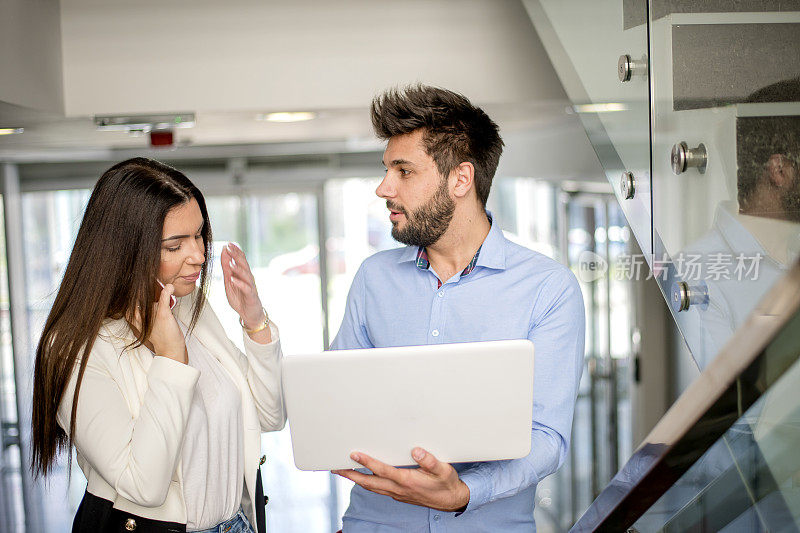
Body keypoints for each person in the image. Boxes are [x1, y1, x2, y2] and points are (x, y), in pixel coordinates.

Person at [331, 85, 585, 531]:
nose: (383, 188)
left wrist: (467, 492)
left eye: (403, 171)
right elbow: (336, 402)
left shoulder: (548, 289)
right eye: (386, 169)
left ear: (460, 179)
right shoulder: (374, 280)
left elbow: (547, 438)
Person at [31, 158, 285, 533]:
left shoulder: (185, 303)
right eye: (174, 245)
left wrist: (254, 320)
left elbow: (270, 416)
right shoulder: (75, 348)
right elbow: (143, 486)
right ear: (123, 250)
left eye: (198, 235)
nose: (198, 255)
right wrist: (171, 360)